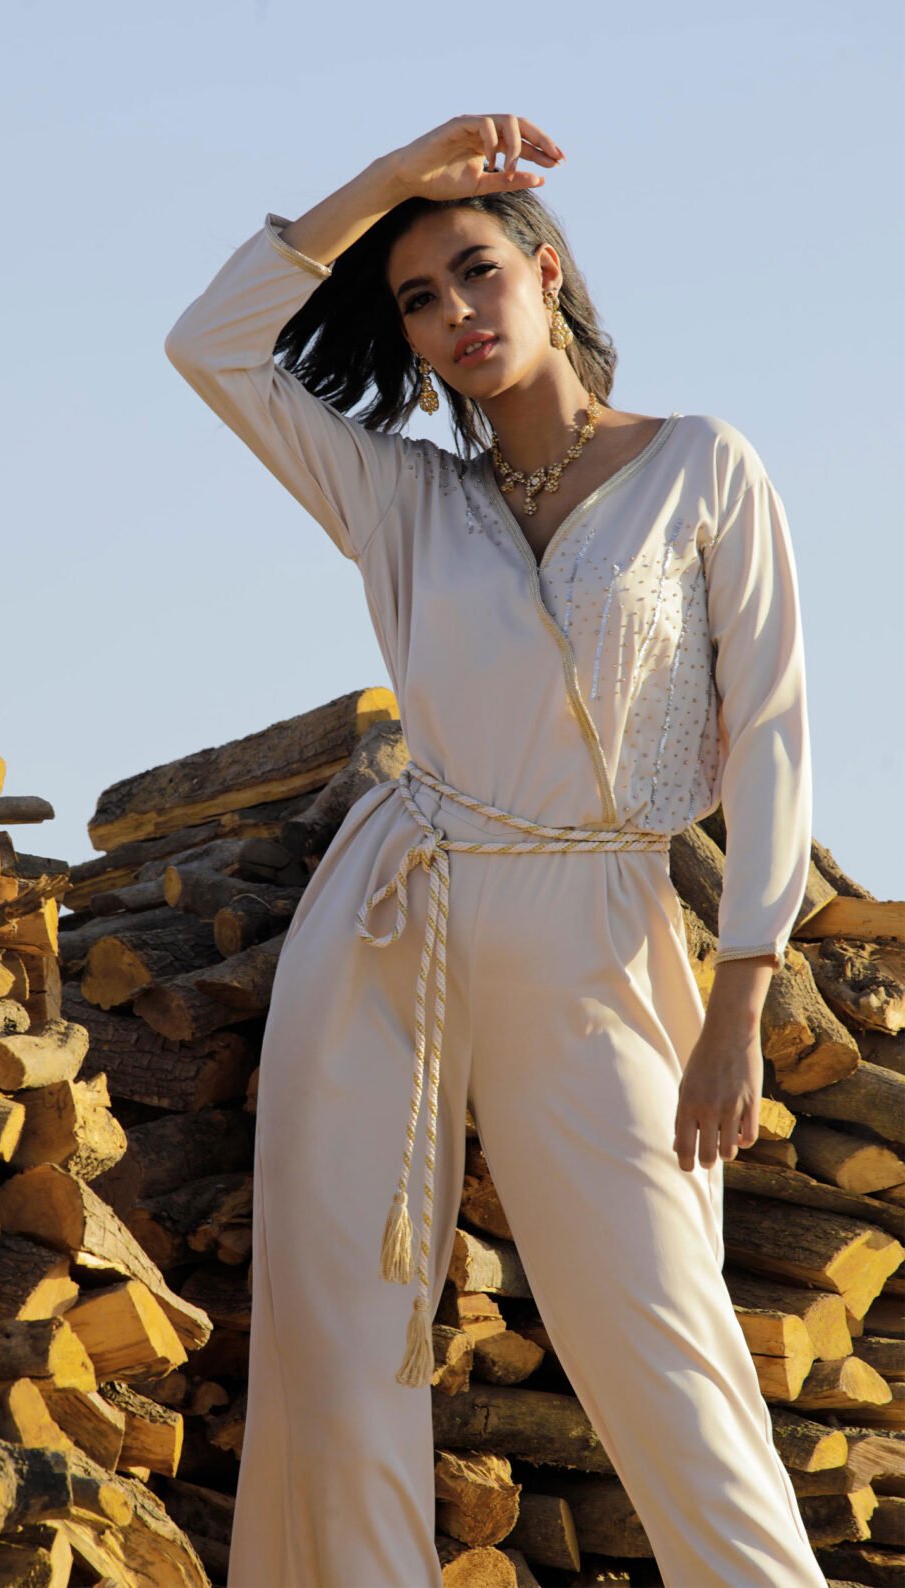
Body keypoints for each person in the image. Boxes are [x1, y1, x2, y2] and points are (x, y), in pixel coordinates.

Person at [163, 114, 827, 1588]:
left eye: (476, 271)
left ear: (546, 272)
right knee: (345, 1336)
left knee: (666, 1339)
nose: (456, 311)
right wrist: (397, 178)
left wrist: (743, 997)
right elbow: (211, 345)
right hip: (393, 919)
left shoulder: (701, 467)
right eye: (419, 298)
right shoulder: (405, 498)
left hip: (600, 930)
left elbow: (776, 735)